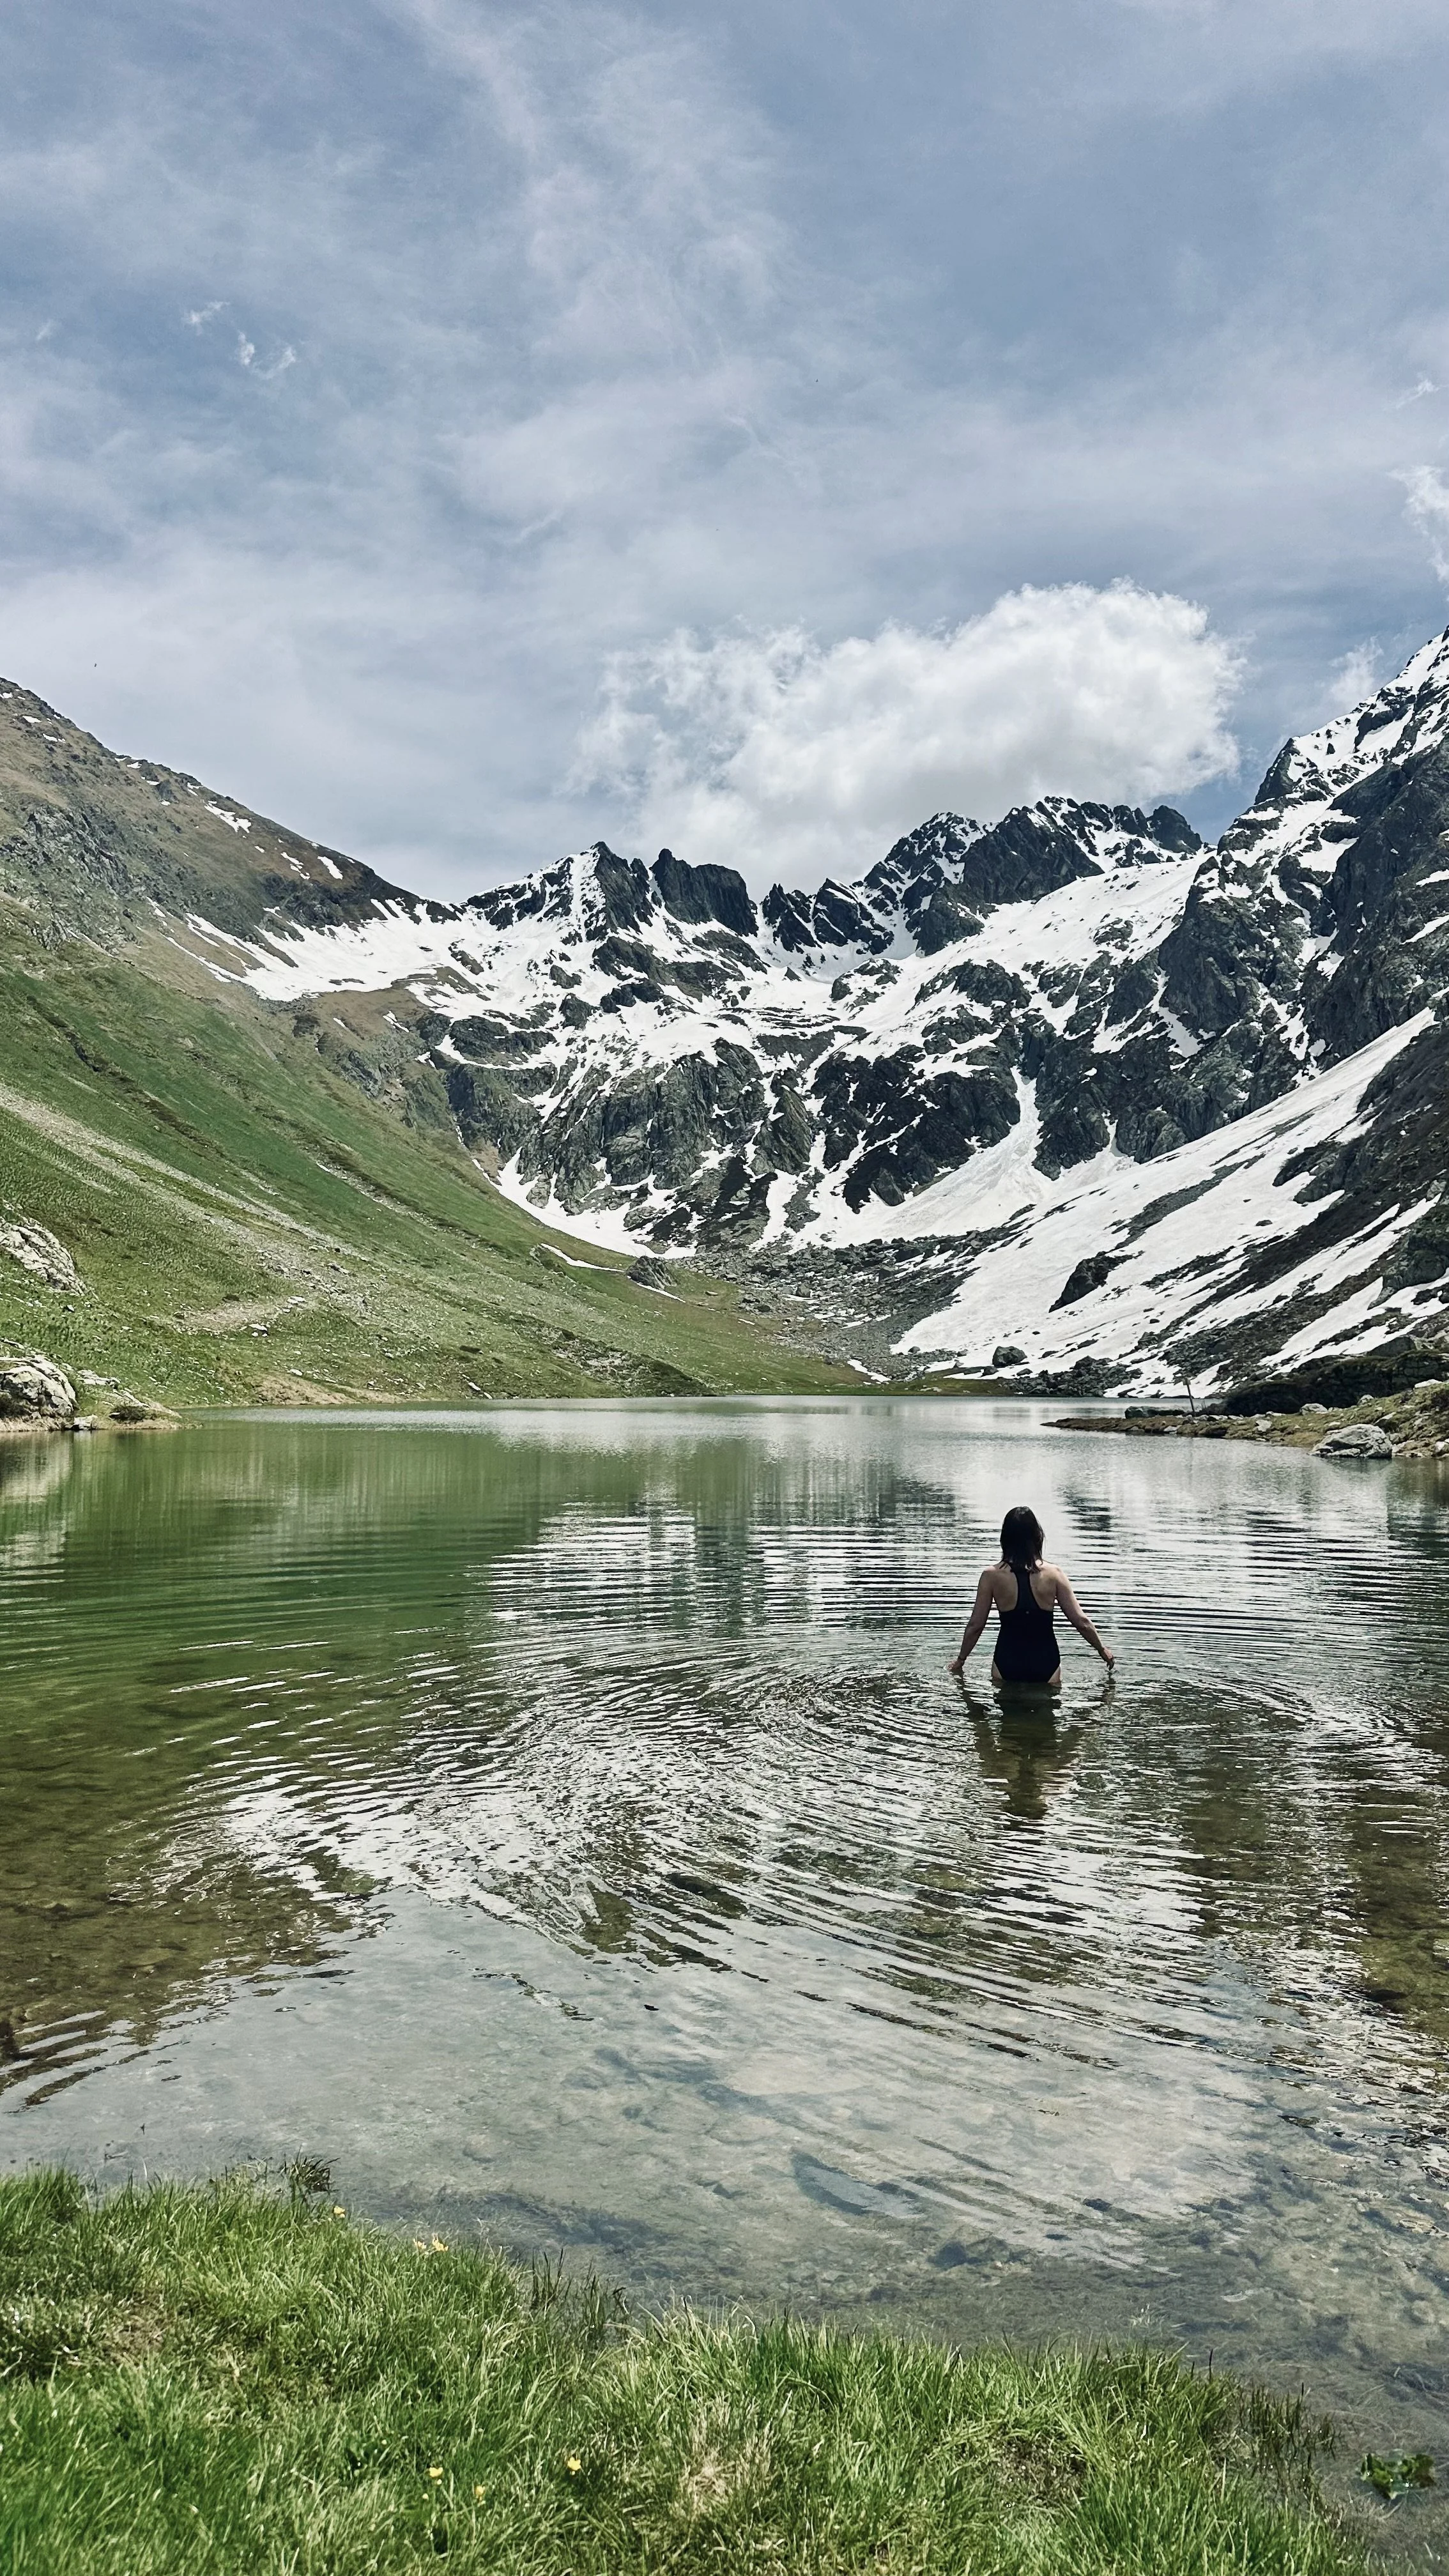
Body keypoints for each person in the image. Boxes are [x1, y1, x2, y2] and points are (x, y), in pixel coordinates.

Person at [949, 1505, 1114, 1687]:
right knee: (1047, 1711)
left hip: (1007, 1662)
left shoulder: (991, 1576)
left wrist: (961, 1660)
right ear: (1037, 1536)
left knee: (1007, 1713)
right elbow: (1080, 1621)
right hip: (1046, 1663)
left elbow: (976, 1625)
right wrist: (1101, 1649)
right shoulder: (1054, 1574)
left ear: (1005, 1538)